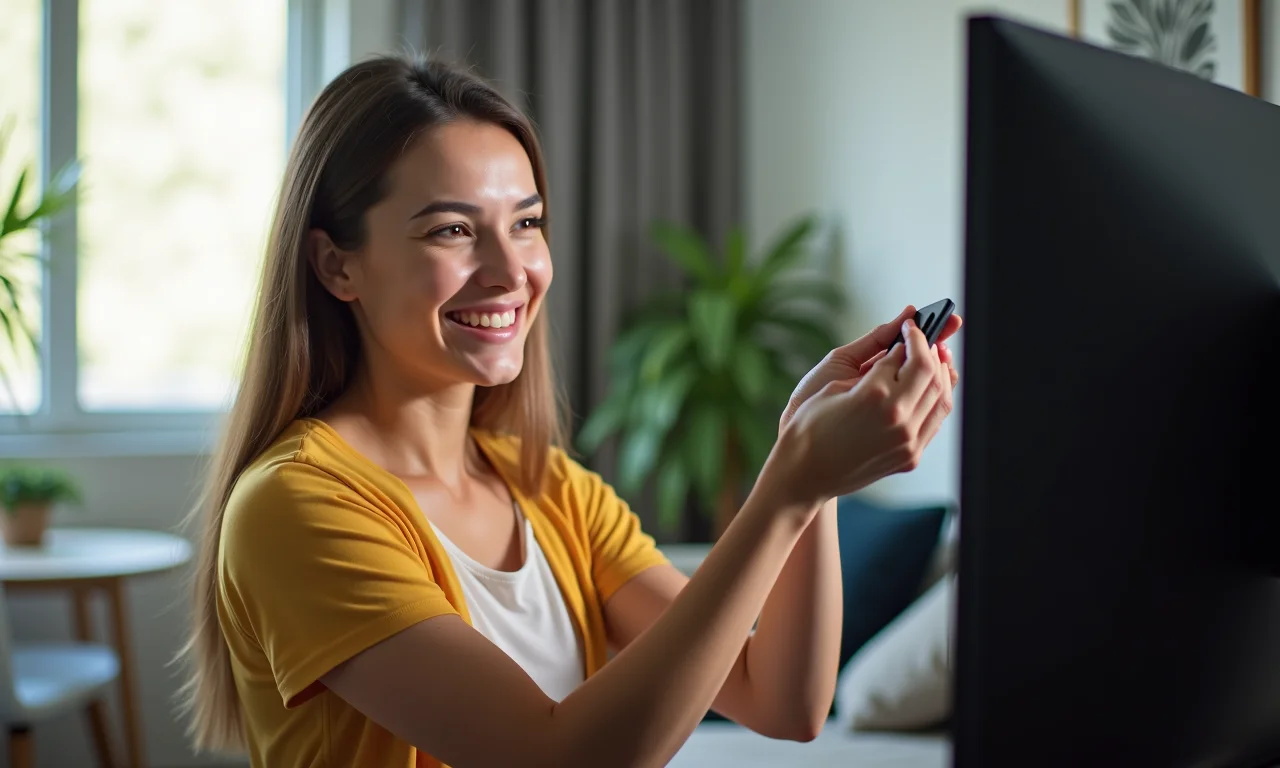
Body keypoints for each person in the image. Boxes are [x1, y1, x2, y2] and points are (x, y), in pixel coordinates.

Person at [177, 55, 962, 768]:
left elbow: (782, 701)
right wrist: (787, 483)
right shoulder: (295, 506)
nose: (510, 270)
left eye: (526, 224)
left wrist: (812, 468)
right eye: (452, 230)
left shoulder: (548, 489)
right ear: (335, 264)